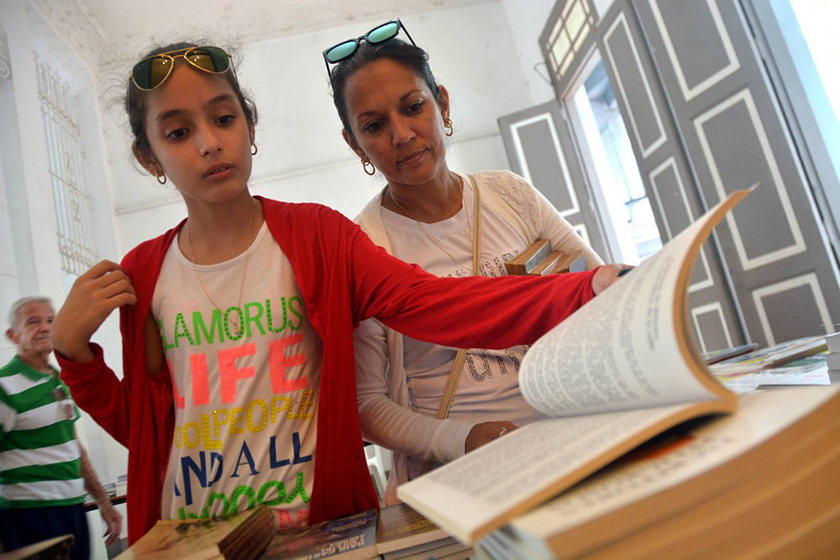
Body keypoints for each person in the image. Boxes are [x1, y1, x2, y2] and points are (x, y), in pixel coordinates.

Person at [50, 43, 624, 544]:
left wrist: (588, 286)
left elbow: (432, 303)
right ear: (148, 158)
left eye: (223, 119)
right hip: (199, 537)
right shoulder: (144, 271)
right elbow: (153, 434)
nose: (208, 143)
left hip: (320, 529)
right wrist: (74, 356)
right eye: (178, 133)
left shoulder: (319, 237)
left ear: (249, 126)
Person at [325, 19, 614, 502]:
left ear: (442, 104)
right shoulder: (362, 246)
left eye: (413, 107)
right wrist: (461, 440)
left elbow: (597, 297)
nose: (401, 134)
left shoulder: (509, 194)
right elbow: (366, 405)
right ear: (356, 144)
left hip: (572, 445)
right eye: (374, 126)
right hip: (458, 481)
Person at [0, 296, 122, 559]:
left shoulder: (57, 379)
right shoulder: (4, 386)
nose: (45, 327)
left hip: (72, 507)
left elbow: (72, 446)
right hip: (27, 514)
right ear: (13, 335)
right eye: (33, 322)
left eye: (50, 320)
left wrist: (103, 501)